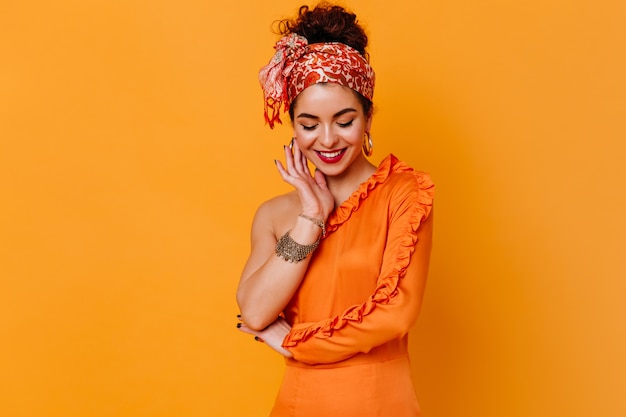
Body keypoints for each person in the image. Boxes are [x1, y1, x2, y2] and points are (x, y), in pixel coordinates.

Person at [236, 3, 434, 416]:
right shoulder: (275, 215)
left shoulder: (404, 193)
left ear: (368, 117)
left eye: (344, 121)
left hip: (381, 403)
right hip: (299, 405)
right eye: (309, 125)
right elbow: (254, 311)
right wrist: (310, 218)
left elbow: (396, 312)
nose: (327, 140)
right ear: (293, 124)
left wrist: (298, 344)